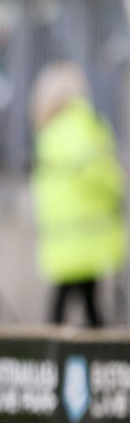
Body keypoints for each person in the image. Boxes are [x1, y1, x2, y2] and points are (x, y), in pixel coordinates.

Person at [29, 61, 125, 327]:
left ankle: (52, 357)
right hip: (87, 237)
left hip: (61, 239)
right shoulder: (82, 128)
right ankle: (97, 358)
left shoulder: (47, 135)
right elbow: (105, 176)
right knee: (87, 303)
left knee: (70, 301)